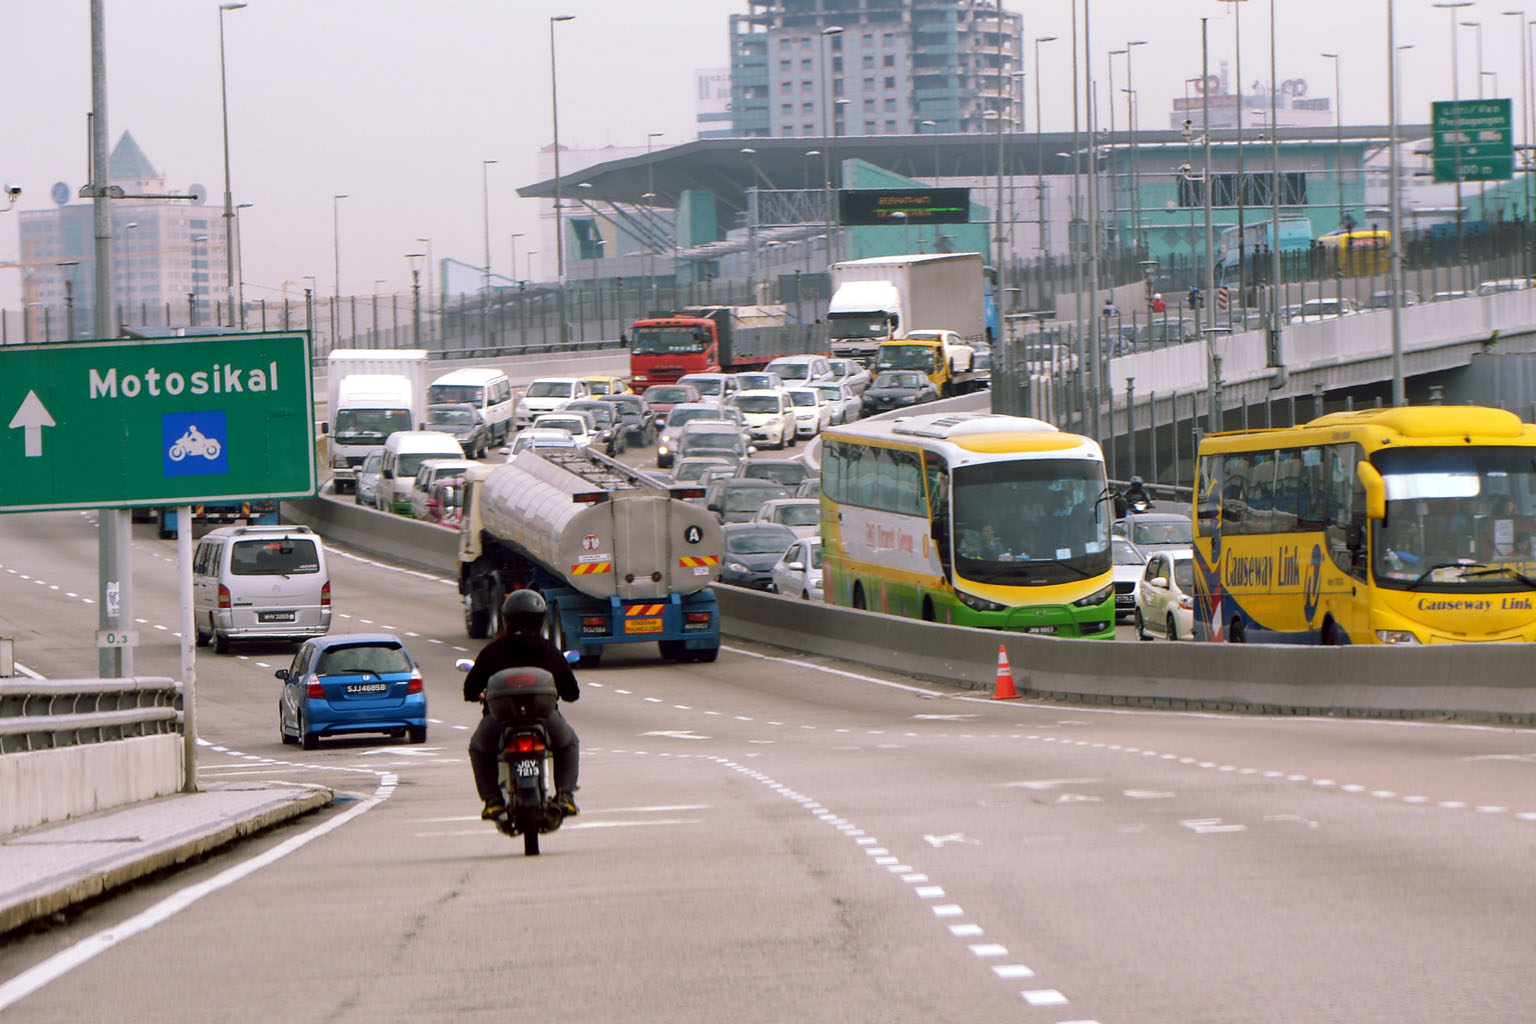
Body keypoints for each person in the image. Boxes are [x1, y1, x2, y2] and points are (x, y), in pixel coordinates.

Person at [464, 589, 581, 820]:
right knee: (569, 743)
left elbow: (469, 690)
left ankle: (492, 801)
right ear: (541, 619)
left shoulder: (493, 651)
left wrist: (480, 696)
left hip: (499, 720)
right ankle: (566, 796)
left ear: (506, 619)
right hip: (545, 719)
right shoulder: (551, 652)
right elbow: (572, 694)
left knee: (478, 748)